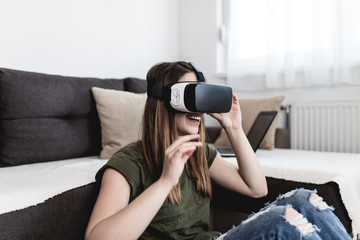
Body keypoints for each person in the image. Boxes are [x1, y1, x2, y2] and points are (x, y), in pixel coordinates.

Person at [85, 61, 351, 240]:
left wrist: (235, 129)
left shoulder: (200, 153)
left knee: (304, 199)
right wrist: (166, 180)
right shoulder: (130, 162)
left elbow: (256, 189)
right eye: (192, 97)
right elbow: (97, 237)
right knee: (282, 219)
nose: (199, 109)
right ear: (167, 101)